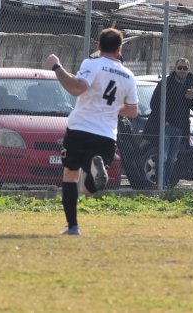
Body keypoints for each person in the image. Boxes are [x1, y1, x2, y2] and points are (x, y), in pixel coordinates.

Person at [46, 27, 138, 236]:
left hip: (80, 128)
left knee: (70, 174)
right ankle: (96, 170)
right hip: (106, 135)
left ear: (98, 46)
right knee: (88, 188)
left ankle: (73, 227)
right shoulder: (128, 75)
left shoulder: (92, 64)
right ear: (119, 49)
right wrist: (113, 107)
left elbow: (77, 87)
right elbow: (132, 111)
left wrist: (56, 67)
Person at [143, 57, 193, 187]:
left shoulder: (191, 84)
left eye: (185, 68)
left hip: (180, 128)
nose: (182, 70)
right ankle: (160, 184)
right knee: (162, 157)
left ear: (188, 70)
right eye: (179, 68)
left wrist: (191, 98)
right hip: (166, 127)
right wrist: (164, 122)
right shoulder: (166, 83)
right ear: (175, 68)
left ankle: (167, 183)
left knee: (172, 159)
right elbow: (154, 104)